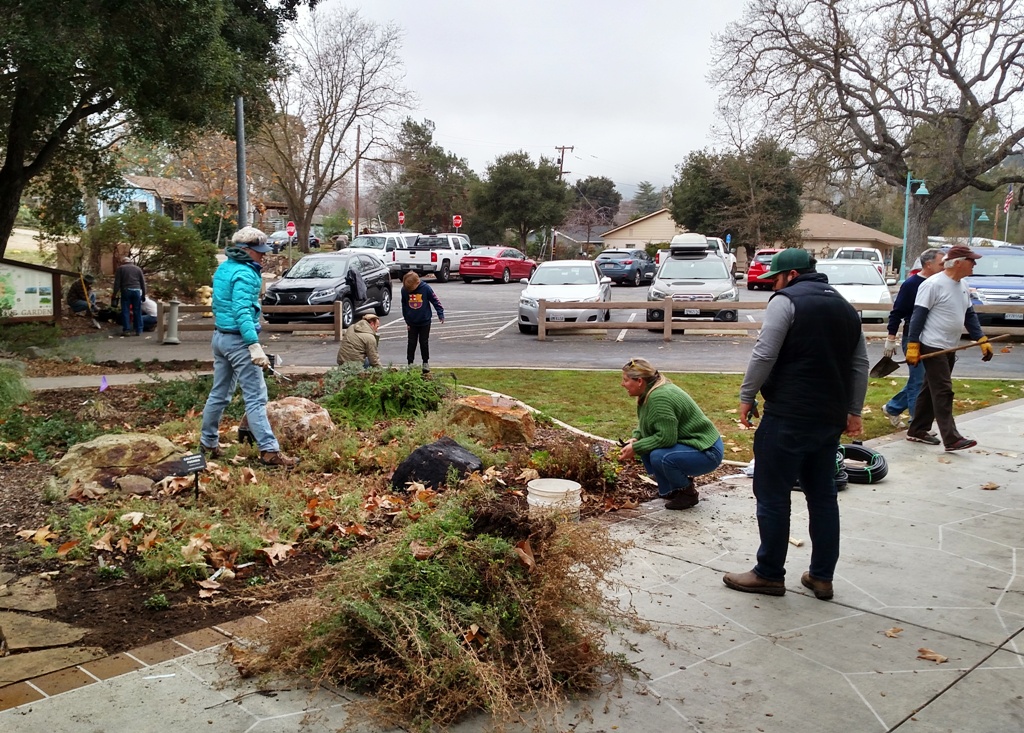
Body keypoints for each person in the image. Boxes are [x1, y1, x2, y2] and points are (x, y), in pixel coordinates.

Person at [725, 248, 868, 600]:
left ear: (790, 275)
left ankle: (769, 574)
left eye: (775, 278)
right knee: (823, 496)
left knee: (773, 495)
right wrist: (854, 409)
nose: (773, 284)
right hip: (828, 419)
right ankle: (822, 577)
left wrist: (747, 395)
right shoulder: (846, 308)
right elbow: (860, 364)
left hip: (788, 415)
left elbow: (764, 352)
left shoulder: (786, 301)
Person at [199, 226, 298, 467]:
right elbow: (242, 310)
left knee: (219, 393)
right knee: (256, 397)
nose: (263, 255)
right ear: (245, 250)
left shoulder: (224, 268)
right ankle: (269, 451)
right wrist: (253, 344)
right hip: (239, 341)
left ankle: (207, 442)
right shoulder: (245, 274)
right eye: (259, 251)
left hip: (220, 337)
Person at [904, 245, 993, 451]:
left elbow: (969, 314)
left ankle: (917, 430)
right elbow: (918, 315)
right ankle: (951, 438)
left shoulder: (962, 284)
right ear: (958, 263)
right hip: (932, 345)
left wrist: (981, 339)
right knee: (943, 391)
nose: (975, 264)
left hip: (949, 347)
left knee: (930, 389)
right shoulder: (932, 284)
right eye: (972, 261)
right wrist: (913, 345)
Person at [618, 358, 724, 510]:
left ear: (640, 381)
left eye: (625, 380)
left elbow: (666, 438)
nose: (622, 384)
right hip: (693, 445)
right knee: (646, 446)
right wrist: (636, 438)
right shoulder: (650, 392)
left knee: (658, 456)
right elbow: (646, 424)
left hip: (707, 452)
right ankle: (671, 490)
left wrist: (636, 447)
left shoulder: (659, 398)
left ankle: (687, 493)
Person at [882, 248, 946, 428]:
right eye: (941, 263)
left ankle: (893, 407)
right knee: (919, 379)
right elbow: (897, 312)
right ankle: (915, 423)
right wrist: (891, 337)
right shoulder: (912, 284)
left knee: (923, 379)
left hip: (933, 337)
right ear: (928, 264)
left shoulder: (941, 283)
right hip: (913, 336)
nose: (944, 267)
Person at [401, 271, 444, 373]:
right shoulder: (404, 290)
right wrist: (407, 320)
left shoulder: (426, 288)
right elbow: (404, 306)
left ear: (417, 283)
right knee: (411, 343)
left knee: (424, 342)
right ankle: (410, 363)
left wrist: (440, 313)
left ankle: (425, 362)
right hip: (412, 322)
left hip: (425, 321)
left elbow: (435, 300)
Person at [113, 256, 146, 336]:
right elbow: (143, 282)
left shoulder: (121, 268)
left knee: (125, 310)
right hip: (137, 291)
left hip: (126, 290)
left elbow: (117, 282)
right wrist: (144, 294)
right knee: (137, 310)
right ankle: (138, 330)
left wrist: (114, 293)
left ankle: (127, 330)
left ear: (123, 262)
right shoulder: (138, 269)